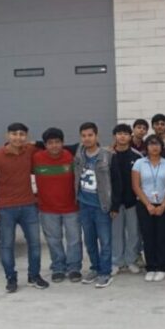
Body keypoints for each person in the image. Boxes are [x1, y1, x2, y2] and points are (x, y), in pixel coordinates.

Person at [0, 123, 48, 293]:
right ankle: (11, 278)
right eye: (14, 134)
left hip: (29, 206)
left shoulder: (29, 151)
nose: (18, 137)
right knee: (7, 245)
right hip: (5, 208)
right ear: (7, 136)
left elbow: (47, 145)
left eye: (22, 134)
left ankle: (34, 276)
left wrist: (34, 143)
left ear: (26, 136)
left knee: (35, 243)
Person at [33, 127, 82, 284]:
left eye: (57, 142)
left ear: (63, 143)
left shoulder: (71, 157)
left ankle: (74, 267)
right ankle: (58, 267)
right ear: (45, 145)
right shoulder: (36, 158)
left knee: (74, 239)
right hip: (47, 209)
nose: (54, 146)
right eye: (50, 143)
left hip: (71, 207)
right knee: (54, 240)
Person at [75, 122, 114, 288]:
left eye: (90, 135)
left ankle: (105, 272)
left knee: (105, 241)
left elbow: (115, 181)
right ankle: (95, 268)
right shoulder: (79, 153)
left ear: (96, 136)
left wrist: (113, 205)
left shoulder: (107, 155)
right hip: (84, 205)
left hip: (101, 206)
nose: (87, 139)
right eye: (83, 136)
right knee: (89, 241)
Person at [132, 135, 165, 282]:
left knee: (162, 236)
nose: (154, 147)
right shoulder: (139, 163)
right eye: (151, 144)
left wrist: (163, 205)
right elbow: (136, 186)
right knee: (148, 236)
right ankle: (151, 267)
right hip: (145, 204)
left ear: (162, 147)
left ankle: (162, 267)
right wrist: (148, 205)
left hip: (164, 204)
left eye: (157, 144)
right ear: (147, 147)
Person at [109, 124, 143, 276]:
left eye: (125, 134)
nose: (122, 136)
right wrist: (111, 203)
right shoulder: (108, 155)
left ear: (130, 137)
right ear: (114, 136)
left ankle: (131, 260)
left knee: (134, 233)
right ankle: (117, 261)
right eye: (119, 133)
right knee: (116, 233)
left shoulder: (137, 156)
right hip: (114, 203)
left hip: (132, 202)